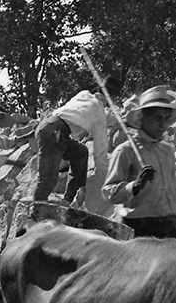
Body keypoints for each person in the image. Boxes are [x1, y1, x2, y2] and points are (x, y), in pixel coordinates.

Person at [102, 86, 176, 238]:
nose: (163, 125)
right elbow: (109, 192)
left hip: (169, 224)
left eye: (166, 119)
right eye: (157, 118)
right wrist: (134, 186)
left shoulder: (167, 150)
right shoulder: (125, 151)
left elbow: (173, 188)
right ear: (142, 118)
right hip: (139, 228)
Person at [34, 76, 120, 212]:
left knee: (80, 152)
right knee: (48, 179)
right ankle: (36, 215)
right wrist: (109, 176)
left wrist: (118, 121)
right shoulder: (99, 114)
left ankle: (67, 200)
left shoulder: (84, 94)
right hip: (56, 132)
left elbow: (81, 111)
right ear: (113, 97)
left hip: (48, 124)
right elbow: (100, 152)